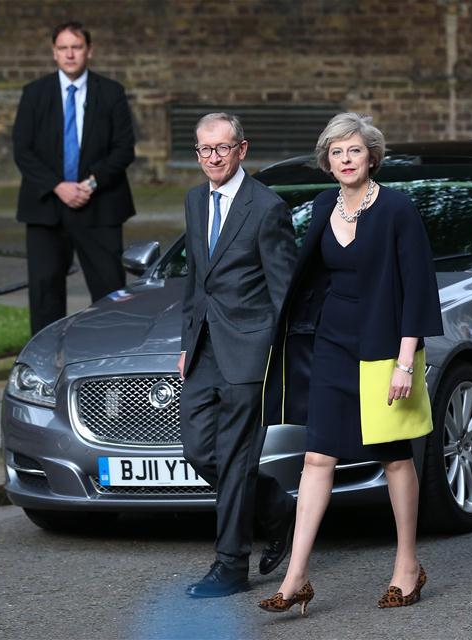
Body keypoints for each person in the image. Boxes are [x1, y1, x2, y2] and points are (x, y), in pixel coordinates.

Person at [258, 113, 443, 615]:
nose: (345, 160)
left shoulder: (397, 211)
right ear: (327, 160)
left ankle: (408, 565)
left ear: (371, 157)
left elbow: (417, 288)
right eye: (336, 152)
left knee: (393, 456)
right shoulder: (323, 205)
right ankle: (296, 576)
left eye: (354, 151)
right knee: (317, 458)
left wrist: (406, 362)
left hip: (384, 348)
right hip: (332, 345)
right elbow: (307, 274)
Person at [180, 113, 297, 598]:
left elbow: (285, 290)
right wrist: (187, 344)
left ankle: (230, 566)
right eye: (204, 149)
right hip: (205, 348)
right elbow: (195, 280)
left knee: (232, 458)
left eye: (222, 149)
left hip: (249, 353)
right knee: (197, 450)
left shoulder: (267, 208)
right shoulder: (193, 200)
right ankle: (277, 507)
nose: (212, 158)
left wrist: (275, 357)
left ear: (242, 150)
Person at [12, 21, 136, 335]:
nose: (70, 54)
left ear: (88, 51)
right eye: (63, 48)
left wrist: (89, 184)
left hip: (100, 204)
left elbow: (124, 149)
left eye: (76, 47)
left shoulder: (111, 93)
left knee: (111, 293)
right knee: (45, 293)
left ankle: (111, 360)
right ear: (54, 53)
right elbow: (22, 150)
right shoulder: (34, 94)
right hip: (46, 208)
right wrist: (58, 186)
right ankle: (44, 372)